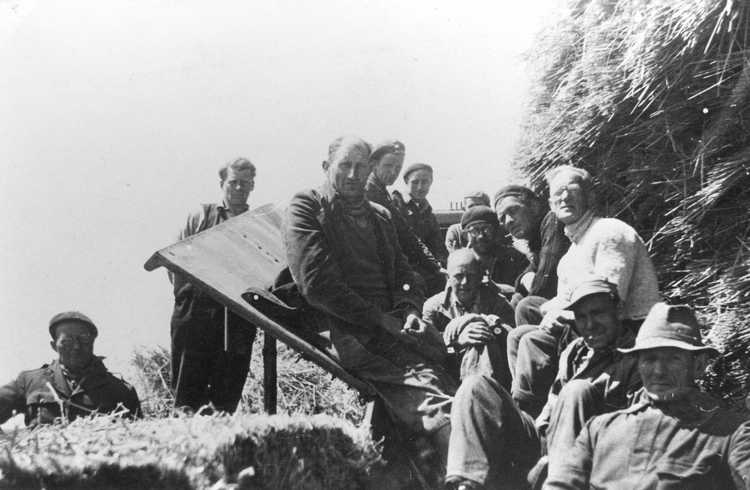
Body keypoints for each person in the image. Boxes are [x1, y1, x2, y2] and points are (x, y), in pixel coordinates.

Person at [283, 136, 455, 467]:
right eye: (344, 166)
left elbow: (405, 272)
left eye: (360, 167)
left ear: (369, 170)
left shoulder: (380, 215)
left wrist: (409, 309)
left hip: (393, 324)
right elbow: (318, 285)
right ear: (326, 167)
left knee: (452, 365)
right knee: (432, 394)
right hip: (348, 329)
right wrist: (380, 320)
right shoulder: (307, 208)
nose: (352, 175)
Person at [445, 278, 640, 490]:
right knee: (476, 387)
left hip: (591, 457)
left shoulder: (639, 359)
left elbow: (633, 435)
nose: (590, 324)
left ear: (618, 310)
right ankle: (467, 483)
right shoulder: (575, 350)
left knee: (577, 390)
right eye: (582, 317)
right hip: (549, 443)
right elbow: (551, 411)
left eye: (598, 313)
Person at [545, 303, 750, 489]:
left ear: (698, 365)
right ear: (638, 364)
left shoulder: (730, 433)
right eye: (649, 359)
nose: (658, 371)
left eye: (673, 359)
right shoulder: (600, 429)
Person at [509, 166, 659, 417]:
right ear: (550, 204)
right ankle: (531, 410)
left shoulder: (609, 231)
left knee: (530, 339)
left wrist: (560, 315)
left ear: (590, 197)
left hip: (627, 329)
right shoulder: (572, 252)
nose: (564, 197)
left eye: (572, 189)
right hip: (590, 324)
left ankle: (533, 414)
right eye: (558, 193)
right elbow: (568, 298)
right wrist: (550, 309)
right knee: (520, 329)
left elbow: (609, 300)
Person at [169, 157, 258, 413]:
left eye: (245, 183)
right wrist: (186, 302)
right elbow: (175, 262)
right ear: (222, 183)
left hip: (237, 317)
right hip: (196, 312)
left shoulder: (255, 223)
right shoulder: (202, 215)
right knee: (187, 393)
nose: (239, 189)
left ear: (253, 186)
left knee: (226, 394)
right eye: (233, 182)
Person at [0, 311, 141, 427]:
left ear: (93, 342)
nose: (76, 347)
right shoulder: (29, 381)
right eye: (67, 341)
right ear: (54, 346)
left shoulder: (121, 390)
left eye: (84, 339)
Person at [423, 248, 516, 387]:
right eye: (459, 276)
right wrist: (457, 343)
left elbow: (511, 341)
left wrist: (489, 327)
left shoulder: (498, 302)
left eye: (471, 276)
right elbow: (428, 350)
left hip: (494, 372)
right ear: (448, 278)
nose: (465, 282)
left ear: (480, 277)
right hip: (451, 373)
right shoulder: (434, 307)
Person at [365, 140, 445, 295]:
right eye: (388, 166)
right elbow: (404, 237)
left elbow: (408, 235)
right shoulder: (370, 192)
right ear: (374, 165)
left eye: (398, 167)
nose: (393, 171)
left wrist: (436, 266)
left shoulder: (381, 191)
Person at [460, 205, 528, 295]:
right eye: (474, 231)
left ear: (496, 231)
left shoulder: (515, 258)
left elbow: (524, 293)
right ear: (465, 235)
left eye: (486, 229)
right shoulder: (459, 262)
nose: (481, 236)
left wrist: (497, 288)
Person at [392, 163, 448, 266]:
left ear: (431, 183)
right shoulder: (396, 203)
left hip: (424, 263)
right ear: (406, 182)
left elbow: (437, 244)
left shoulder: (427, 211)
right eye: (415, 182)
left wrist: (441, 262)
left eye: (425, 182)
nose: (420, 187)